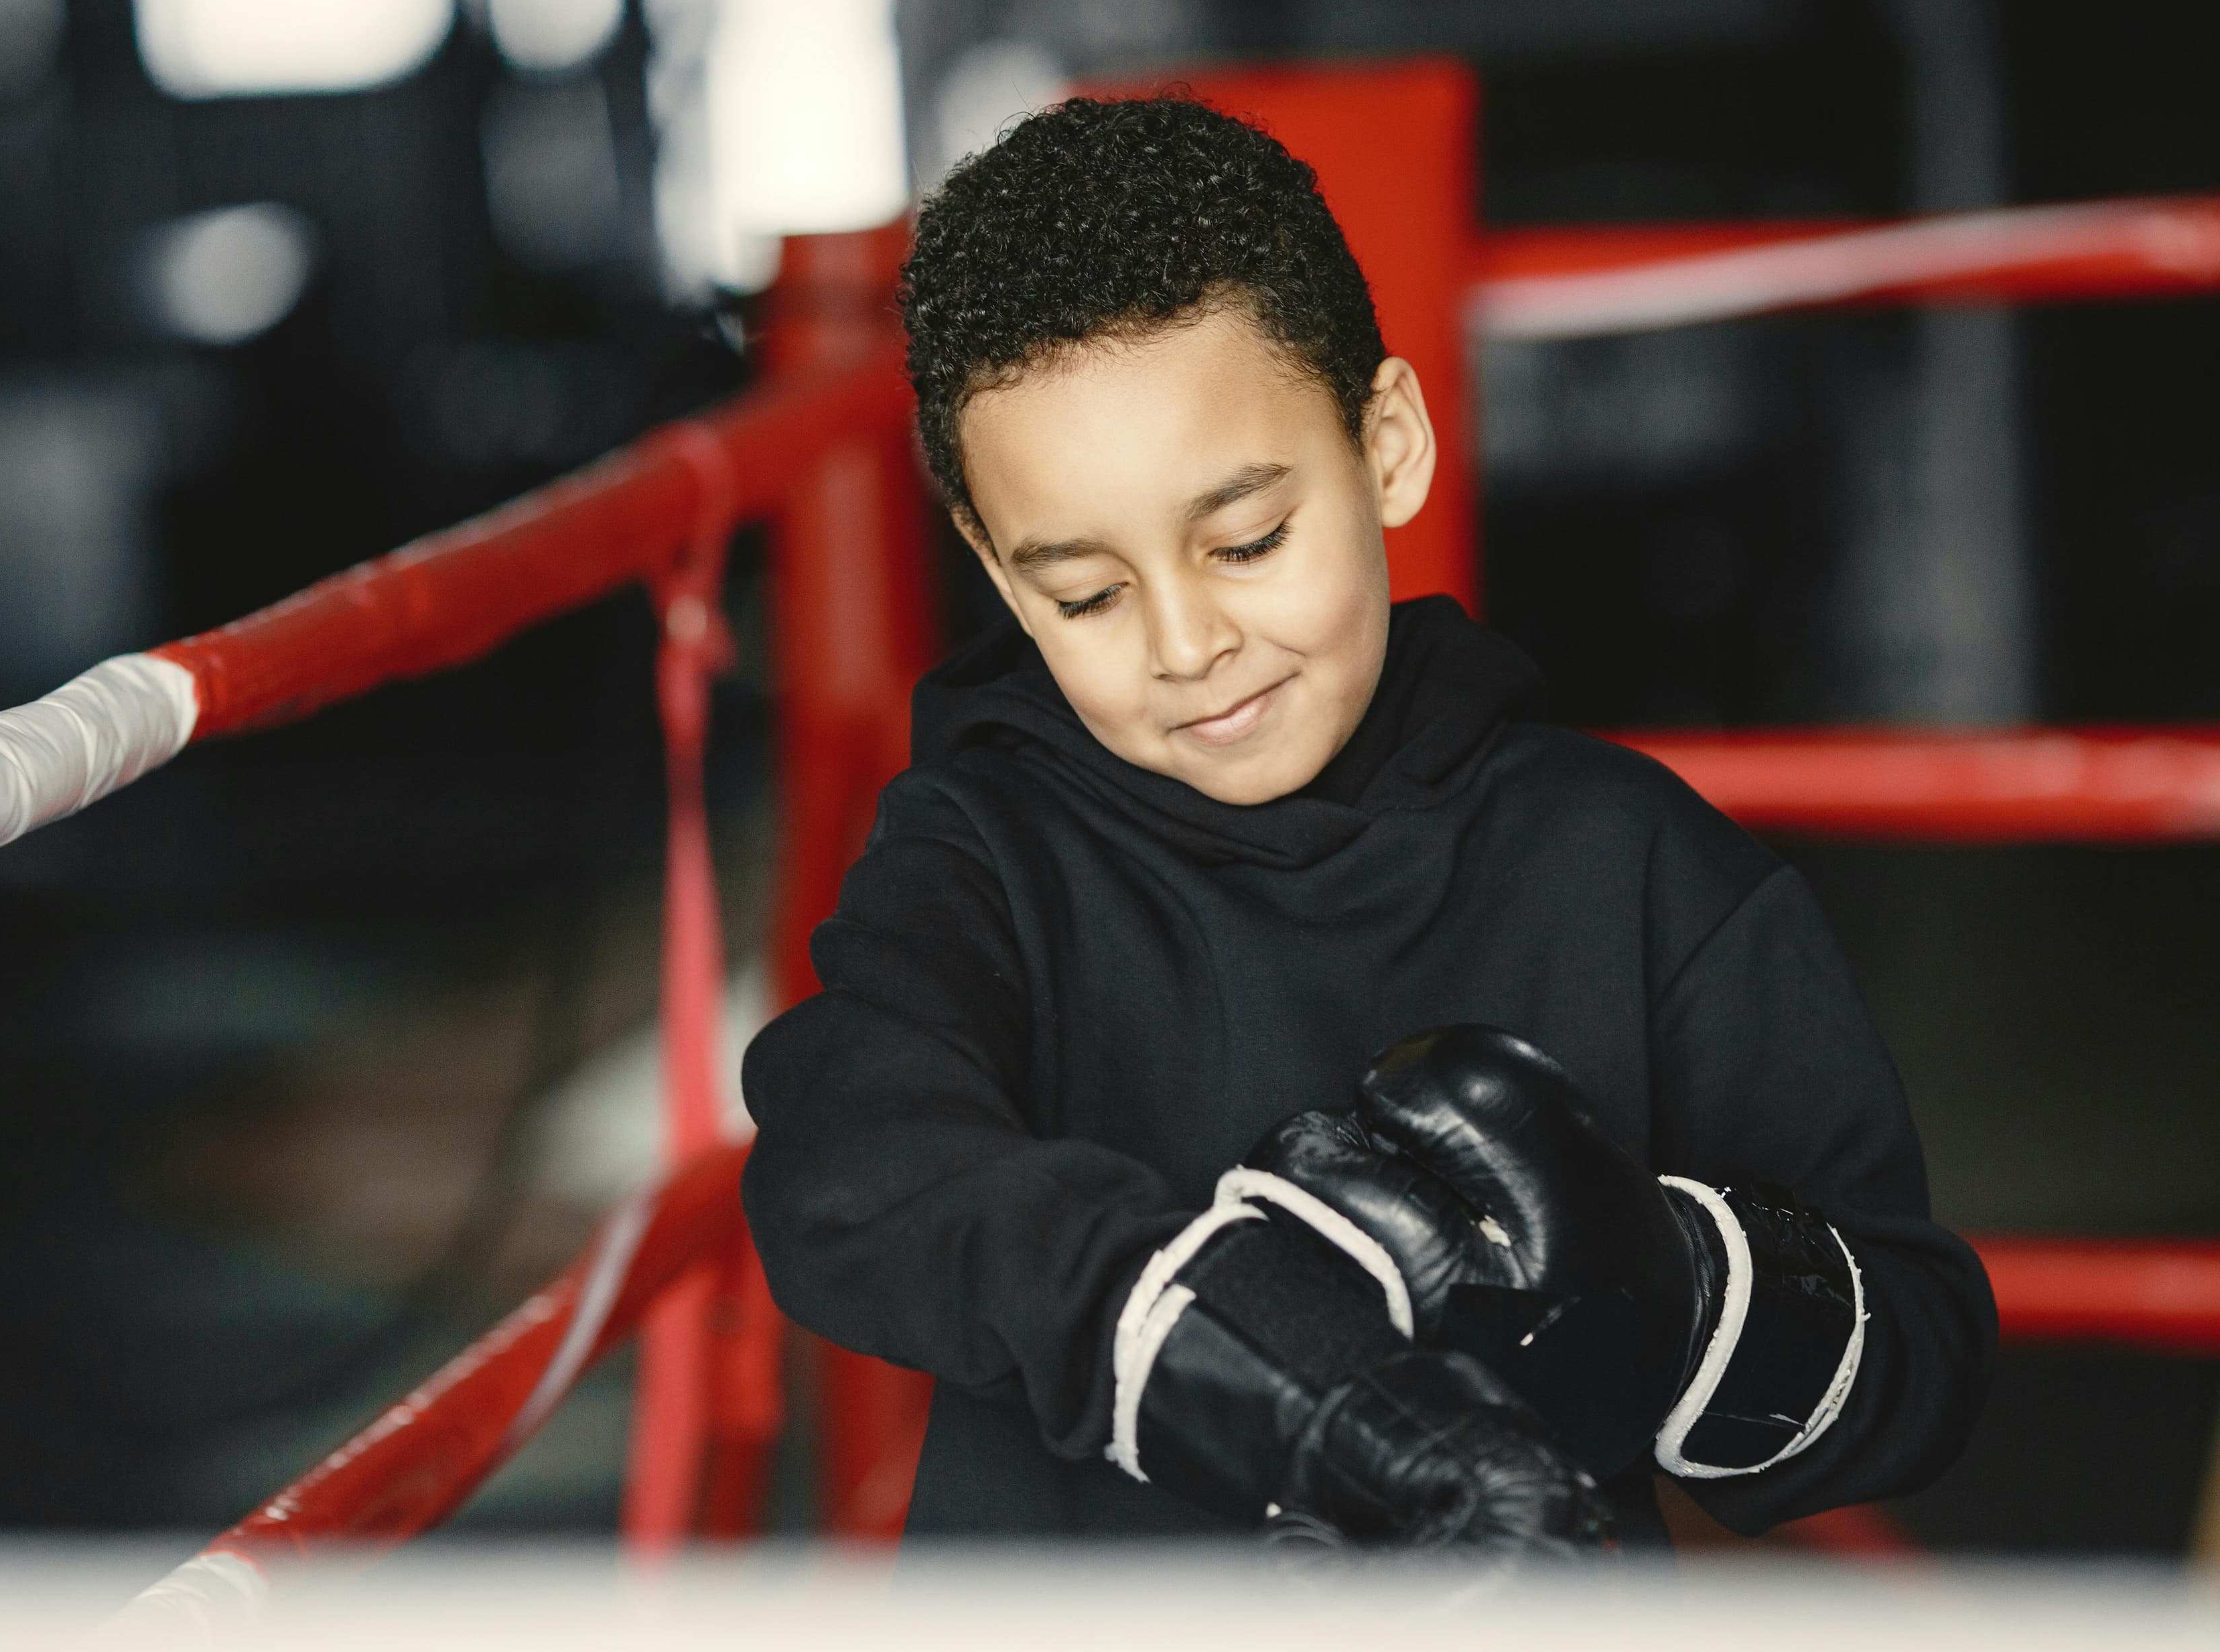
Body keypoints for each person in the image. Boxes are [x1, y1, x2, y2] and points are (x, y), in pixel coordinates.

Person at [739, 95, 1994, 1551]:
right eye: (1086, 591)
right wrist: (1249, 1357)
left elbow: (1927, 1352)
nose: (1186, 638)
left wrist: (1677, 1283)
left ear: (1387, 444)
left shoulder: (1626, 861)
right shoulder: (982, 859)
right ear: (1001, 575)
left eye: (1249, 540)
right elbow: (849, 1159)